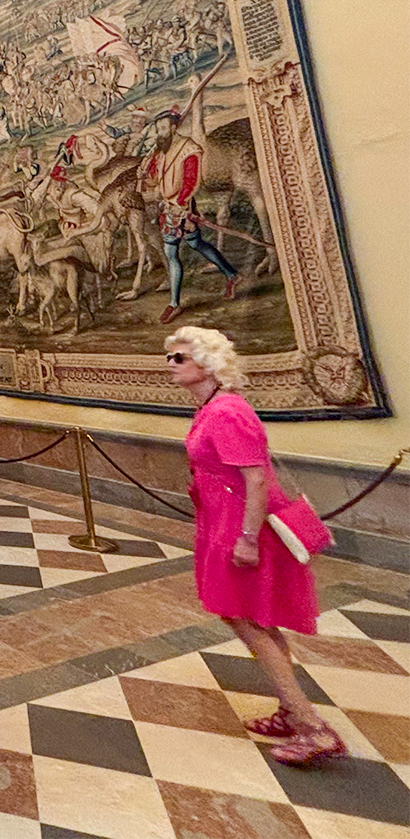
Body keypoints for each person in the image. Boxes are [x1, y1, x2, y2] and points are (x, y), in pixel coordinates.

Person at [168, 326, 346, 766]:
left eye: (179, 358)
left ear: (207, 365)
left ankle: (312, 727)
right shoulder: (210, 408)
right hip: (223, 519)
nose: (169, 365)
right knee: (253, 619)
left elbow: (256, 479)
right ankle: (291, 712)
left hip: (241, 525)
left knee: (247, 619)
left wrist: (247, 539)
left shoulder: (227, 412)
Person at [143, 110, 238, 324]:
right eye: (158, 129)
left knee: (175, 250)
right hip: (168, 207)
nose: (160, 132)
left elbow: (191, 181)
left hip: (181, 207)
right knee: (192, 245)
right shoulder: (162, 150)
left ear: (174, 128)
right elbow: (154, 179)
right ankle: (231, 274)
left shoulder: (189, 149)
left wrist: (181, 203)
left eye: (164, 128)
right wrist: (147, 171)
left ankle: (174, 304)